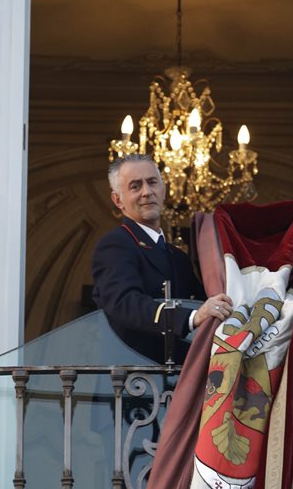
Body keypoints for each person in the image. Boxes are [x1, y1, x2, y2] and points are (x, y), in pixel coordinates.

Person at [93, 154, 232, 364]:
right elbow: (124, 303)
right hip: (132, 385)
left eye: (152, 182)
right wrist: (190, 318)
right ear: (118, 200)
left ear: (163, 189)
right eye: (135, 186)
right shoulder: (115, 244)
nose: (146, 192)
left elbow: (205, 302)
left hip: (177, 382)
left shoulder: (179, 258)